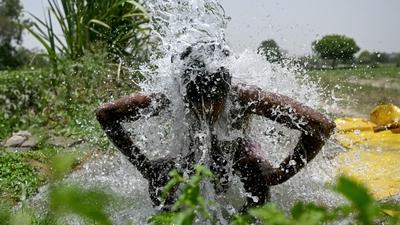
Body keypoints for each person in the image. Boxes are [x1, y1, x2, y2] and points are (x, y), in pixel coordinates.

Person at [95, 42, 335, 210]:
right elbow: (106, 114)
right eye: (198, 105)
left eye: (215, 104)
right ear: (182, 94)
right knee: (161, 178)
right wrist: (144, 166)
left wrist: (281, 173)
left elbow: (321, 125)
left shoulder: (247, 97)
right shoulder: (169, 97)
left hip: (239, 151)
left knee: (254, 171)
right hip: (191, 151)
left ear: (227, 92)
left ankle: (253, 219)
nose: (207, 112)